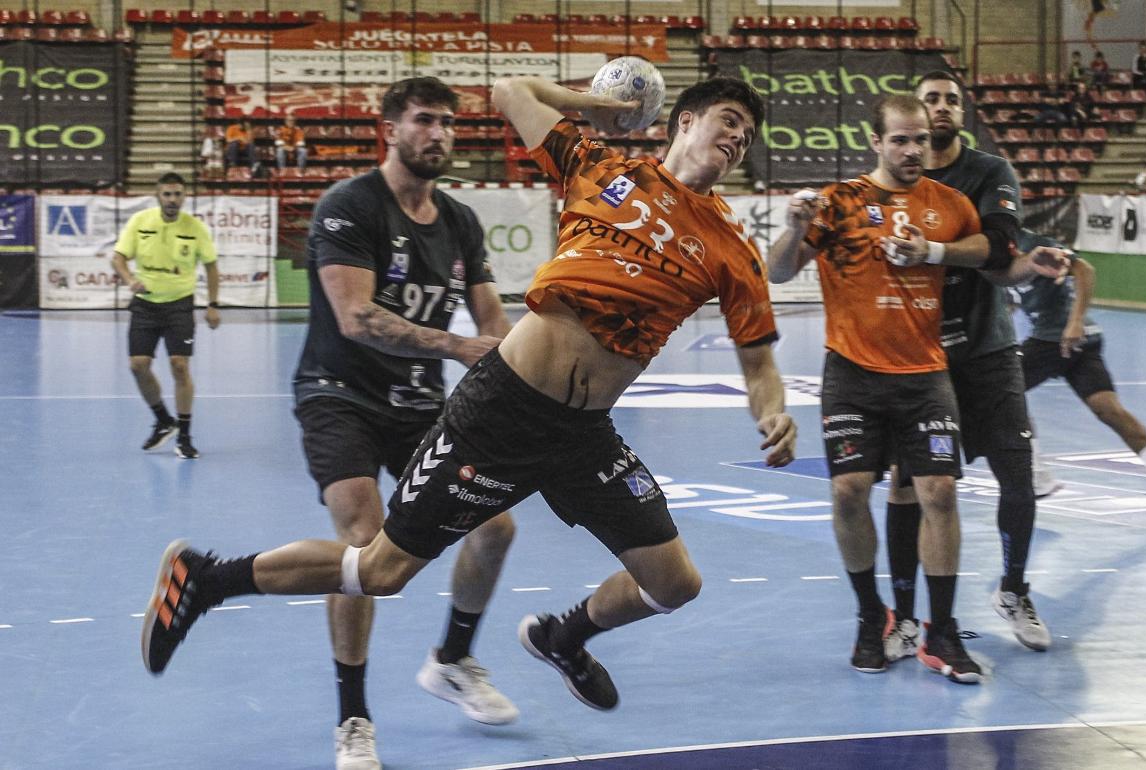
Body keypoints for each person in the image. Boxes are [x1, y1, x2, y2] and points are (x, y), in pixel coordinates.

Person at [141, 74, 796, 739]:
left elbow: (760, 366)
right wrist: (600, 107)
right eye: (729, 119)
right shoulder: (601, 170)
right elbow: (511, 92)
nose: (738, 137)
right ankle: (206, 579)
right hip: (502, 412)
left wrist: (771, 412)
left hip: (583, 433)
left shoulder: (731, 248)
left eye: (748, 133)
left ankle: (564, 637)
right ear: (685, 121)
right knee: (381, 570)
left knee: (674, 583)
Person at [290, 77, 519, 770]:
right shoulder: (349, 206)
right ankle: (353, 716)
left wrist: (525, 363)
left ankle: (452, 659)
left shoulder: (459, 220)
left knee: (495, 526)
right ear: (389, 130)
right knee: (363, 543)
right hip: (339, 394)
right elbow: (356, 317)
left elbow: (491, 318)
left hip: (419, 402)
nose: (438, 133)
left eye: (448, 122)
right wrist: (457, 347)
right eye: (424, 120)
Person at [769, 94, 1009, 685]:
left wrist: (936, 251)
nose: (912, 150)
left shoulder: (949, 204)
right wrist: (795, 227)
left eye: (920, 139)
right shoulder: (839, 202)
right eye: (900, 139)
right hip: (852, 372)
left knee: (940, 493)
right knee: (849, 491)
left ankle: (941, 631)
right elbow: (777, 271)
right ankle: (870, 614)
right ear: (876, 142)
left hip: (924, 374)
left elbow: (990, 251)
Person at [881, 71, 1067, 658]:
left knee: (1018, 477)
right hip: (920, 358)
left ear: (963, 112)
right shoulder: (894, 179)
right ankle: (904, 617)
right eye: (930, 99)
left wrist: (1025, 264)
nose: (941, 108)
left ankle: (1014, 590)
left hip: (988, 350)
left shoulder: (989, 172)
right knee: (908, 487)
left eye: (951, 100)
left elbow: (1000, 253)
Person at [1013, 229, 1146, 526]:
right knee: (1108, 409)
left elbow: (1085, 269)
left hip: (1056, 338)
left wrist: (1075, 321)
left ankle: (1037, 475)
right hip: (1081, 341)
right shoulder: (998, 254)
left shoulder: (1032, 243)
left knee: (1000, 389)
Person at [110, 172, 220, 460]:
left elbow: (211, 266)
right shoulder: (140, 222)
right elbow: (118, 258)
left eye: (177, 194)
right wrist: (130, 280)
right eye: (167, 194)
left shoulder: (195, 228)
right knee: (138, 365)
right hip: (145, 305)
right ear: (158, 196)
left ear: (184, 196)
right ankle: (162, 420)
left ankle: (184, 436)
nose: (172, 200)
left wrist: (212, 304)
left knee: (179, 366)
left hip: (179, 305)